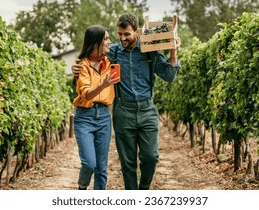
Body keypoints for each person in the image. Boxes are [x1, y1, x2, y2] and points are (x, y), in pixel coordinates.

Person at [72, 13, 181, 190]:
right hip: (123, 112)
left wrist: (173, 51)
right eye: (119, 34)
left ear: (136, 32)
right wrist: (76, 65)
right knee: (128, 163)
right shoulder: (113, 52)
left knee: (150, 157)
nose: (122, 38)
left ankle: (144, 188)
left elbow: (169, 76)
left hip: (147, 110)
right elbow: (91, 56)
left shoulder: (149, 50)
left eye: (127, 34)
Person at [72, 25, 120, 190]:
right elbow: (87, 94)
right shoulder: (83, 65)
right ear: (95, 42)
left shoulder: (109, 61)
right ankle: (82, 187)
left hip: (104, 116)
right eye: (106, 39)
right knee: (90, 163)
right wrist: (103, 84)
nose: (109, 42)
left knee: (101, 166)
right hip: (85, 117)